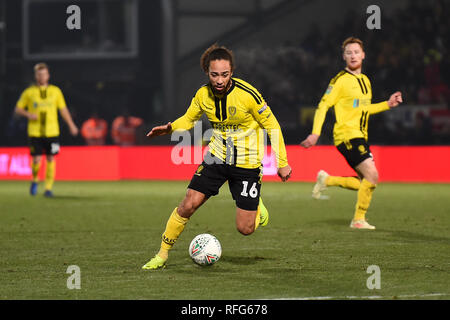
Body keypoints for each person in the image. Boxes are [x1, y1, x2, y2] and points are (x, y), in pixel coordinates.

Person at [142, 44, 292, 270]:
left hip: (247, 163)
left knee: (245, 229)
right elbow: (188, 119)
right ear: (207, 72)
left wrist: (282, 162)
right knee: (188, 204)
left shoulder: (248, 95)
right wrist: (170, 128)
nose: (220, 80)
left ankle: (256, 201)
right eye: (214, 75)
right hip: (217, 157)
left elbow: (273, 126)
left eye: (225, 74)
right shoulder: (203, 95)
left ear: (231, 72)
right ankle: (162, 255)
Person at [300, 37, 402, 230]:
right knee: (372, 175)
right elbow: (323, 106)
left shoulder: (365, 80)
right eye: (349, 53)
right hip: (347, 135)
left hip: (360, 136)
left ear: (363, 55)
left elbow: (364, 109)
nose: (353, 55)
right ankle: (358, 219)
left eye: (356, 52)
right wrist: (315, 133)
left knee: (364, 181)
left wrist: (387, 104)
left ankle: (326, 180)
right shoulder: (339, 81)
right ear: (344, 57)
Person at [14, 63, 79, 197]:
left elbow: (63, 110)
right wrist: (28, 114)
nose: (42, 76)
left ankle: (48, 188)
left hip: (52, 131)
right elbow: (18, 109)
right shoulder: (29, 92)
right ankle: (35, 179)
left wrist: (71, 124)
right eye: (39, 74)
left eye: (44, 74)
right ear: (36, 76)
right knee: (37, 160)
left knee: (51, 158)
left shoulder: (56, 92)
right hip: (35, 131)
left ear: (48, 75)